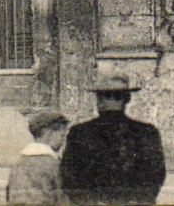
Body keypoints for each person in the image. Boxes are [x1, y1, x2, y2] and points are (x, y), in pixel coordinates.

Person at [60, 74, 165, 205]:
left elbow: (69, 177)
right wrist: (137, 201)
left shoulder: (79, 132)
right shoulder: (147, 132)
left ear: (100, 101)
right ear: (127, 99)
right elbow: (156, 175)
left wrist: (91, 202)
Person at [7, 108, 70, 204]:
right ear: (49, 134)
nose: (63, 141)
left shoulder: (19, 164)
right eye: (62, 135)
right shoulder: (51, 164)